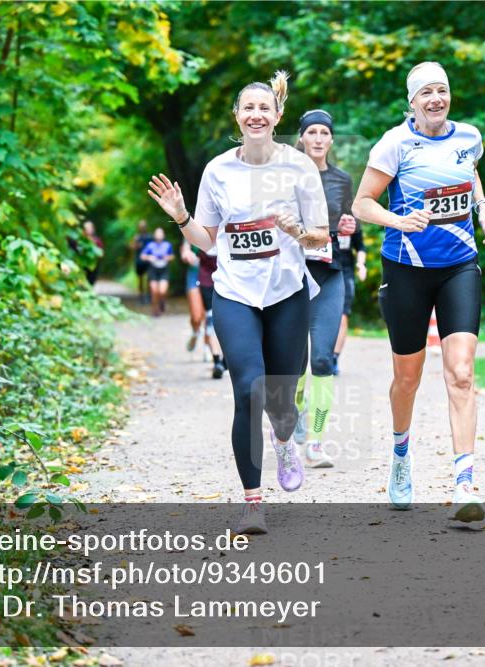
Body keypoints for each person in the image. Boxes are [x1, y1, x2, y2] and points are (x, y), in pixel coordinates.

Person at [147, 71, 330, 534]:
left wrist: (296, 232)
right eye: (248, 108)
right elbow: (206, 242)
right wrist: (182, 217)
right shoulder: (218, 170)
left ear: (277, 115)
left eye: (264, 108)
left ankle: (285, 439)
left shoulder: (299, 167)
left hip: (287, 292)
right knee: (248, 389)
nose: (256, 114)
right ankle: (252, 503)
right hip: (235, 293)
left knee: (282, 400)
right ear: (237, 116)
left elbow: (321, 238)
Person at [352, 61, 485, 520]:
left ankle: (464, 481)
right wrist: (398, 220)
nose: (436, 99)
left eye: (442, 90)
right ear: (412, 101)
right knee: (408, 377)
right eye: (426, 93)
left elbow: (471, 173)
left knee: (460, 372)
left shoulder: (468, 137)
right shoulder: (395, 143)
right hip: (406, 270)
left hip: (458, 266)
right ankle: (401, 454)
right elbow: (361, 204)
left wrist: (483, 207)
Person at [290, 109, 356, 468]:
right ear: (302, 138)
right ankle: (296, 410)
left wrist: (349, 226)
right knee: (297, 360)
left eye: (324, 133)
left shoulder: (342, 180)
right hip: (294, 278)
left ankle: (315, 441)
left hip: (330, 274)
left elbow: (349, 226)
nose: (318, 138)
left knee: (322, 359)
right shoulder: (284, 176)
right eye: (311, 132)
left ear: (331, 139)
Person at [333, 197, 367, 375]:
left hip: (345, 271)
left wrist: (361, 265)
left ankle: (334, 358)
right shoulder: (324, 217)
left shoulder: (353, 222)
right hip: (325, 269)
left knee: (343, 316)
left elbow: (360, 247)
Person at [196, 244, 227, 379]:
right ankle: (218, 362)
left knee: (228, 324)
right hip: (207, 282)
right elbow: (188, 249)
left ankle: (222, 362)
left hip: (228, 282)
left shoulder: (229, 226)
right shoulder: (199, 227)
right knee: (211, 320)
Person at [139, 227, 173, 317]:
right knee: (154, 291)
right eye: (157, 233)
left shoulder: (167, 245)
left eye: (160, 233)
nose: (159, 235)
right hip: (153, 269)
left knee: (162, 291)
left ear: (163, 235)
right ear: (154, 235)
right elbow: (142, 256)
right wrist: (149, 257)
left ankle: (162, 302)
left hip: (164, 269)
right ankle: (155, 310)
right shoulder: (150, 245)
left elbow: (172, 256)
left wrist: (167, 257)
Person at [180, 240, 206, 351]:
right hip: (195, 274)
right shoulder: (193, 223)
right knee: (196, 317)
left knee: (210, 315)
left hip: (214, 274)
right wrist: (186, 254)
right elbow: (185, 248)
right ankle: (195, 332)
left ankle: (209, 347)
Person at [132, 220, 154, 304]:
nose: (142, 228)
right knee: (140, 280)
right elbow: (132, 247)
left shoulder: (150, 236)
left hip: (148, 261)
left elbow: (153, 247)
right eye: (141, 226)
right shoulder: (137, 237)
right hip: (139, 261)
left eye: (144, 226)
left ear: (146, 227)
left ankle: (149, 297)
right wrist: (136, 245)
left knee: (149, 279)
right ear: (139, 227)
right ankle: (141, 298)